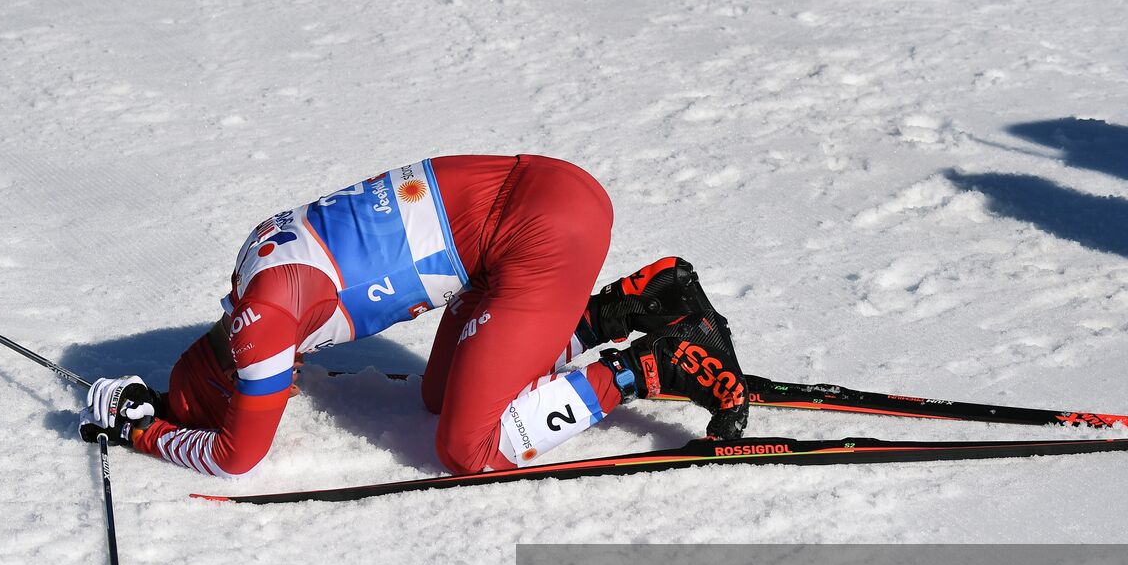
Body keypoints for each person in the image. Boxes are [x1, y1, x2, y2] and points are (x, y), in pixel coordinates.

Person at [78, 154, 749, 478]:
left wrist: (143, 434)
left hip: (540, 237)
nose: (278, 392)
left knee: (468, 449)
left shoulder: (264, 332)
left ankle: (652, 364)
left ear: (237, 373)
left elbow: (235, 459)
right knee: (439, 397)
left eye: (258, 393)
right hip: (533, 200)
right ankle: (622, 307)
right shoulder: (251, 271)